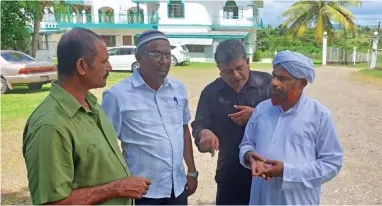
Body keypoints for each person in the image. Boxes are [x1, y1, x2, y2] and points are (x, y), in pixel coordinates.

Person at [22, 27, 151, 205]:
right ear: (82, 66)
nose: (110, 67)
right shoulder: (50, 126)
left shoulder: (91, 104)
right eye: (104, 61)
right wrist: (116, 188)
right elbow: (51, 203)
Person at [101, 30, 198, 205]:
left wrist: (191, 171)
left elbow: (184, 131)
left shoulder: (178, 89)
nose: (164, 61)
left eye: (168, 55)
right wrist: (117, 183)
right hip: (142, 193)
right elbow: (104, 146)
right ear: (138, 57)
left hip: (177, 188)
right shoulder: (117, 96)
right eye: (156, 54)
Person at [239, 50, 343, 205]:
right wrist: (249, 156)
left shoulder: (319, 116)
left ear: (302, 83)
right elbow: (247, 143)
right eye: (274, 75)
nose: (274, 82)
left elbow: (332, 163)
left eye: (283, 79)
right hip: (261, 199)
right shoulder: (261, 109)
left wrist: (287, 172)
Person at [190, 39, 273, 205]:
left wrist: (257, 116)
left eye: (239, 68)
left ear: (248, 62)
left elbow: (286, 119)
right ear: (219, 70)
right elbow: (199, 125)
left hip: (267, 170)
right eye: (228, 71)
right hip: (229, 172)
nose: (235, 76)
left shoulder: (268, 83)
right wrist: (203, 134)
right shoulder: (211, 92)